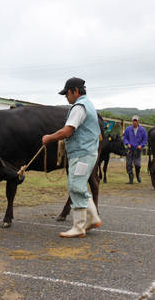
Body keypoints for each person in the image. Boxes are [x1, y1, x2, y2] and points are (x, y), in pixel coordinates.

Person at [42, 77, 101, 238]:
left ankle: (79, 226)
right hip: (85, 152)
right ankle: (91, 218)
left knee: (76, 185)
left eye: (67, 93)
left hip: (82, 154)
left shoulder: (79, 107)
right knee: (76, 184)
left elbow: (67, 131)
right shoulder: (88, 105)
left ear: (75, 91)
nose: (66, 97)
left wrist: (49, 137)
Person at [122, 115, 148, 184]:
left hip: (137, 150)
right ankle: (131, 179)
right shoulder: (128, 129)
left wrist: (141, 145)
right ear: (132, 121)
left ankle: (137, 175)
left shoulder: (142, 130)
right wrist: (127, 143)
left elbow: (145, 139)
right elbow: (125, 137)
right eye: (134, 120)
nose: (135, 122)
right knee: (128, 165)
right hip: (130, 149)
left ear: (138, 121)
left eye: (136, 121)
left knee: (137, 164)